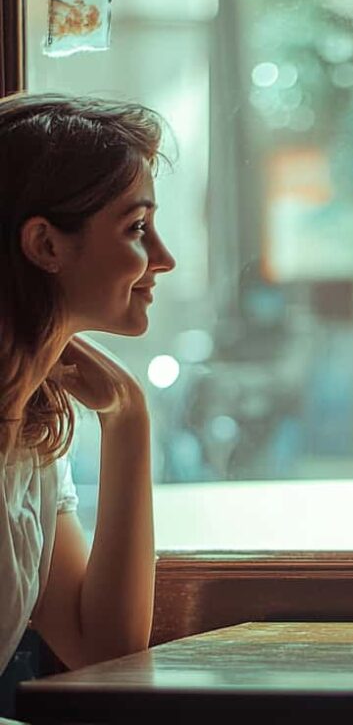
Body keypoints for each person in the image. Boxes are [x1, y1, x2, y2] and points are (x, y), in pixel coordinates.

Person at [0, 93, 176, 703]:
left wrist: (128, 420)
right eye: (137, 228)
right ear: (46, 245)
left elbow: (103, 650)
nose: (163, 258)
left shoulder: (30, 433)